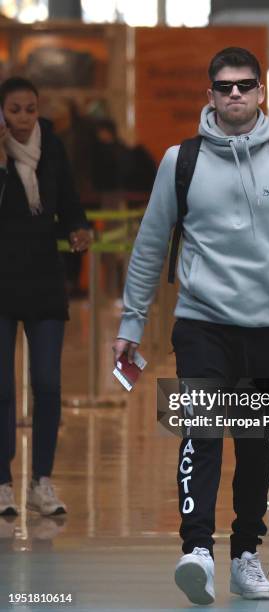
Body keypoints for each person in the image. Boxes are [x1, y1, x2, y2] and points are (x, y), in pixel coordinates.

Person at [113, 47, 269, 604]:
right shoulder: (180, 161)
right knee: (203, 432)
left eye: (244, 85)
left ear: (261, 92)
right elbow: (148, 247)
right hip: (199, 323)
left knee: (256, 444)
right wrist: (130, 322)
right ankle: (195, 550)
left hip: (263, 328)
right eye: (224, 86)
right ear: (210, 95)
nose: (234, 94)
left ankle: (244, 555)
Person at [0, 77, 92, 517]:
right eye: (14, 110)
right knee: (1, 388)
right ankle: (2, 481)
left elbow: (69, 199)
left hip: (43, 279)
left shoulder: (51, 147)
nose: (22, 118)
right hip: (1, 280)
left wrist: (78, 226)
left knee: (48, 383)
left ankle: (42, 482)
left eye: (29, 109)